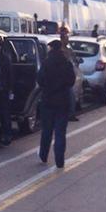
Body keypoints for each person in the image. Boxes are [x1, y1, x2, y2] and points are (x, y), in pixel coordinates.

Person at [37, 40, 76, 168]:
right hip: (62, 102)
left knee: (46, 131)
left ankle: (43, 155)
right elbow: (71, 81)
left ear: (51, 49)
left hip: (48, 101)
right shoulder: (66, 63)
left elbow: (40, 79)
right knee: (60, 133)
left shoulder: (46, 63)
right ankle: (59, 160)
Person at [0, 38, 14, 146]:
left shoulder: (5, 59)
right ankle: (0, 134)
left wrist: (9, 89)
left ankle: (7, 135)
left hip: (4, 89)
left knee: (5, 113)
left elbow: (9, 75)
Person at [58, 25, 79, 122]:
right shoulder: (61, 51)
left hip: (68, 78)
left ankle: (69, 113)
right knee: (70, 96)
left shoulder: (69, 50)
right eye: (66, 38)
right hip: (63, 78)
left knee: (70, 96)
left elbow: (74, 60)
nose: (67, 40)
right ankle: (70, 114)